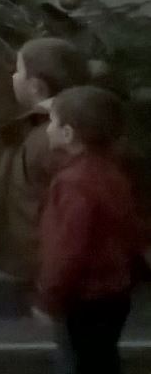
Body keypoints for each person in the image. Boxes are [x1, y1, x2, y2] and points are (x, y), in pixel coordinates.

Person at [37, 85, 146, 374]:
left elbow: (69, 249)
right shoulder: (114, 173)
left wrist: (50, 296)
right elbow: (132, 229)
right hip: (115, 291)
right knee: (103, 359)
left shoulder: (73, 182)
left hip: (83, 295)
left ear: (68, 133)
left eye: (52, 122)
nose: (47, 129)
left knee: (79, 360)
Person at [0, 37, 88, 286]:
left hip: (55, 267)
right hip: (48, 261)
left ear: (36, 86)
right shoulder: (45, 130)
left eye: (18, 70)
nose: (13, 76)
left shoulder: (52, 138)